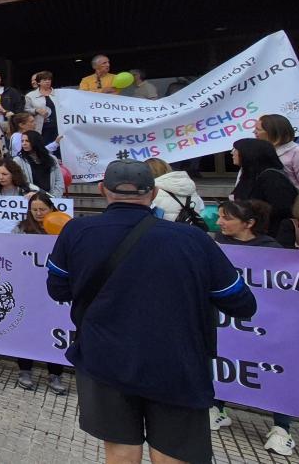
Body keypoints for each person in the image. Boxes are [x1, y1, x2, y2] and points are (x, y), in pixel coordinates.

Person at [47, 160, 256, 464]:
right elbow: (240, 302)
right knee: (173, 454)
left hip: (104, 358)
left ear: (102, 190)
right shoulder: (192, 239)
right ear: (154, 191)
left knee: (120, 453)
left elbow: (58, 289)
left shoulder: (76, 231)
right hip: (176, 362)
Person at [208, 199, 294, 455]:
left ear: (249, 223)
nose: (219, 222)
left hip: (265, 325)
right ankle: (216, 406)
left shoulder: (274, 251)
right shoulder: (215, 245)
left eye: (227, 218)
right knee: (223, 358)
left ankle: (282, 427)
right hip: (225, 321)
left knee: (275, 372)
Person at [9, 191, 68, 394]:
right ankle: (25, 370)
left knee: (56, 330)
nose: (38, 213)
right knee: (27, 329)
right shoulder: (21, 229)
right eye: (34, 210)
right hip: (28, 287)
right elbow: (11, 252)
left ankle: (55, 373)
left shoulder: (64, 228)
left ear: (51, 208)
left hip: (55, 289)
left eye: (42, 209)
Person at [231, 138, 298, 242]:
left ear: (249, 153)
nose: (232, 153)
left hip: (272, 239)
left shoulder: (271, 177)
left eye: (235, 150)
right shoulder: (248, 175)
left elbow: (282, 209)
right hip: (251, 234)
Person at [145, 158, 204, 223]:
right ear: (167, 168)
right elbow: (201, 208)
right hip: (191, 231)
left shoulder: (152, 192)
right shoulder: (190, 188)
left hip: (167, 231)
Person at [256, 113, 299, 188]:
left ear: (272, 132)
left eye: (258, 129)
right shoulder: (259, 151)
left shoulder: (297, 152)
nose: (254, 132)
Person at [16, 131, 65, 197]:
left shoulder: (52, 159)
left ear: (36, 142)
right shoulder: (18, 160)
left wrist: (54, 197)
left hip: (51, 198)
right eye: (22, 141)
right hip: (30, 199)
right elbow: (20, 183)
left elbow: (59, 181)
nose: (24, 144)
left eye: (27, 141)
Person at [24, 71, 59, 147]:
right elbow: (25, 110)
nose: (47, 81)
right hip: (41, 128)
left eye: (49, 79)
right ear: (38, 82)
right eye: (44, 80)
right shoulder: (30, 96)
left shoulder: (59, 93)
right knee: (44, 149)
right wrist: (36, 110)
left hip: (58, 127)